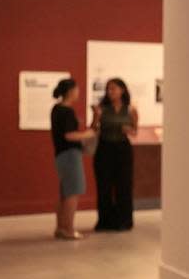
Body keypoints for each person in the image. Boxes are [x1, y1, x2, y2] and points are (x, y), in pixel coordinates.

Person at [50, 78, 97, 240]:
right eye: (77, 89)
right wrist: (87, 134)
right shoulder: (67, 111)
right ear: (70, 91)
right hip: (70, 154)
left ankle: (60, 227)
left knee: (64, 192)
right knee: (73, 192)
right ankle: (68, 229)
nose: (78, 92)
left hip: (61, 155)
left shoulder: (56, 109)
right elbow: (69, 135)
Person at [90, 78, 138, 231]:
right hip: (104, 148)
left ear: (122, 90)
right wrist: (96, 117)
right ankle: (104, 221)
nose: (110, 92)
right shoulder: (102, 108)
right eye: (108, 89)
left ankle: (123, 221)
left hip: (123, 149)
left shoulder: (130, 109)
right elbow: (93, 128)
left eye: (114, 89)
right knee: (104, 186)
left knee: (124, 185)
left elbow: (135, 131)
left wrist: (128, 130)